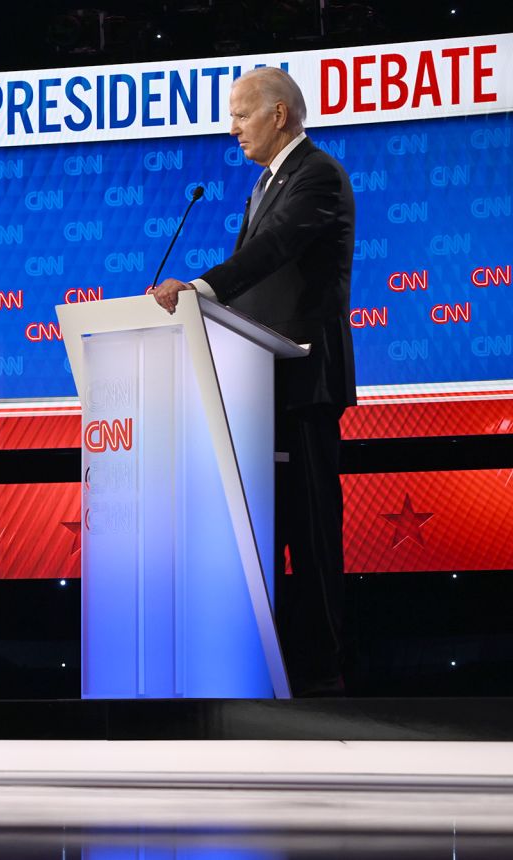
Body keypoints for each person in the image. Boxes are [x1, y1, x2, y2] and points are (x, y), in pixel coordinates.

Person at [151, 67, 356, 697]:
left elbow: (273, 252)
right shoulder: (265, 184)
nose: (231, 127)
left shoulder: (316, 174)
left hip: (305, 380)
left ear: (280, 115)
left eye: (241, 114)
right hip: (260, 384)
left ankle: (329, 674)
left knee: (312, 530)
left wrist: (203, 288)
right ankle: (279, 667)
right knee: (266, 530)